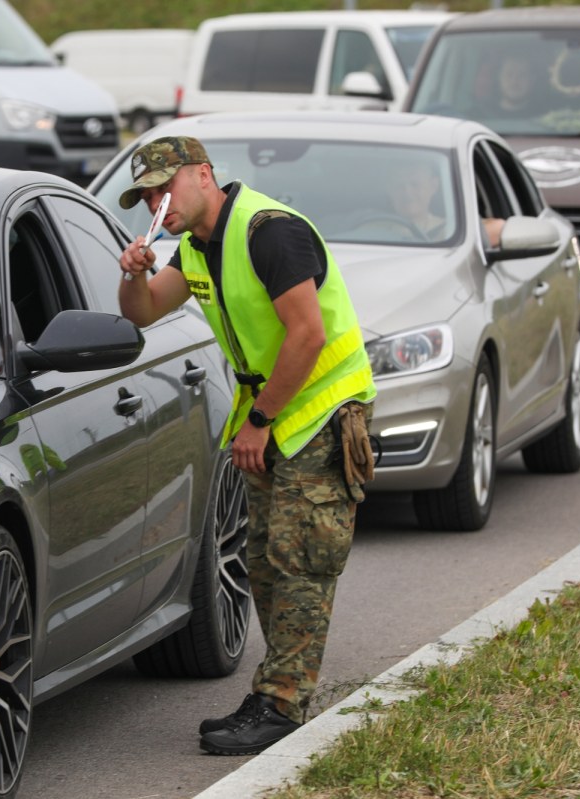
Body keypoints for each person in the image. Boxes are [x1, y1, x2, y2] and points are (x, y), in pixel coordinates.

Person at [116, 136, 377, 756]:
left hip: (320, 411)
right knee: (263, 559)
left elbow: (308, 335)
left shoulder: (267, 231)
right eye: (147, 195)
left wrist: (258, 419)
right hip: (276, 413)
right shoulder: (198, 246)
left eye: (165, 186)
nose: (157, 201)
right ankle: (276, 694)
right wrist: (135, 275)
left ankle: (282, 705)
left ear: (204, 175)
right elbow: (144, 313)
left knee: (300, 560)